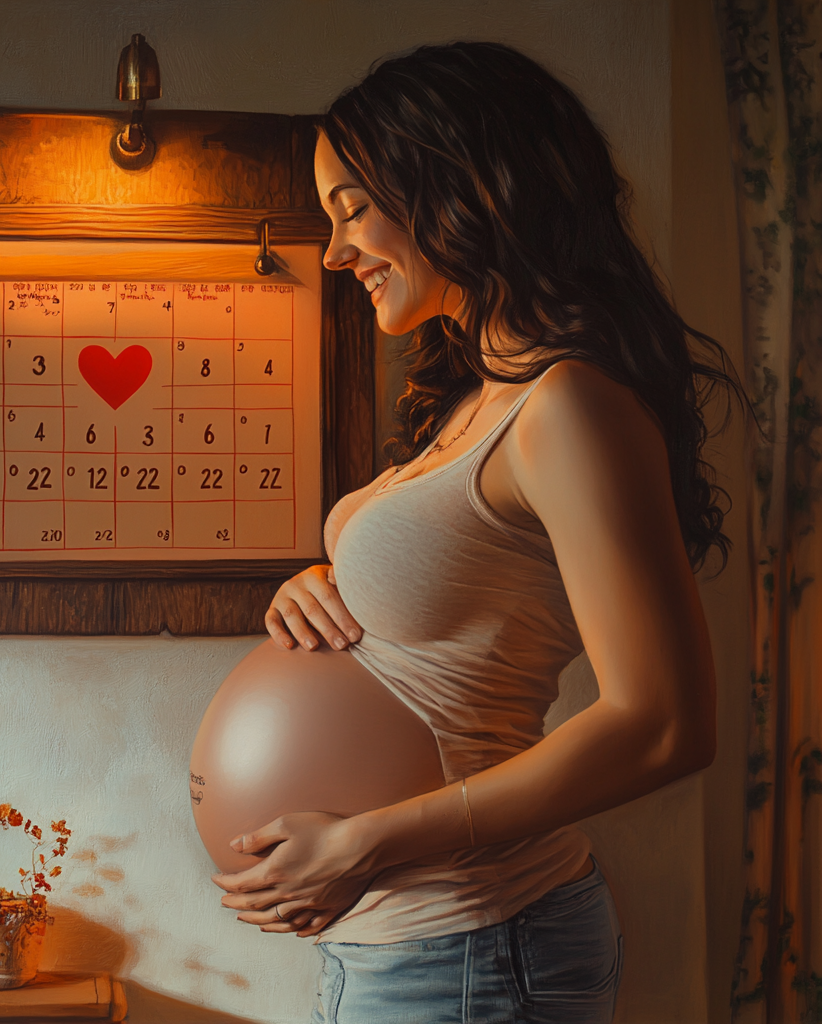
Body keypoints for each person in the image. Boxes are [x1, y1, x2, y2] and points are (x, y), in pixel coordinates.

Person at [213, 41, 734, 1023]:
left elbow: (664, 722)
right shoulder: (470, 396)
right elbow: (466, 591)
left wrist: (366, 842)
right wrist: (321, 582)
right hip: (411, 945)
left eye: (350, 209)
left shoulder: (567, 405)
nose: (334, 252)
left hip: (474, 946)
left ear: (453, 188)